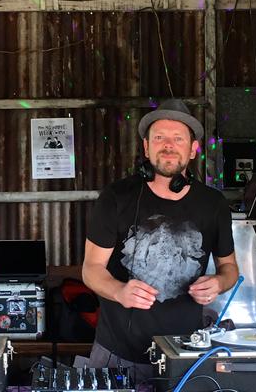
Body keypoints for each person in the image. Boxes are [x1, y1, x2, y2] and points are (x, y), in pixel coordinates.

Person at [82, 98, 239, 384]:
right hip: (117, 353)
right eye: (159, 138)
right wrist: (119, 291)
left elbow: (229, 268)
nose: (168, 145)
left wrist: (218, 283)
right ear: (146, 147)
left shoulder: (213, 204)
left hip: (186, 353)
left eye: (178, 138)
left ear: (193, 149)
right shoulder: (116, 197)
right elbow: (91, 269)